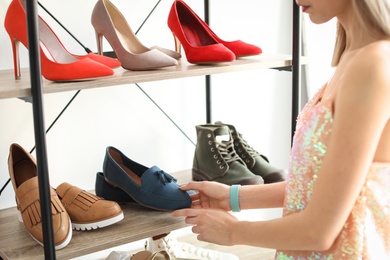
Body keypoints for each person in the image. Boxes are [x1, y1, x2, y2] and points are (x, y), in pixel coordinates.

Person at [171, 0, 390, 258]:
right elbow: (317, 187)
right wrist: (231, 196)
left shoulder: (373, 64)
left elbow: (320, 231)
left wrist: (233, 233)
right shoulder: (353, 56)